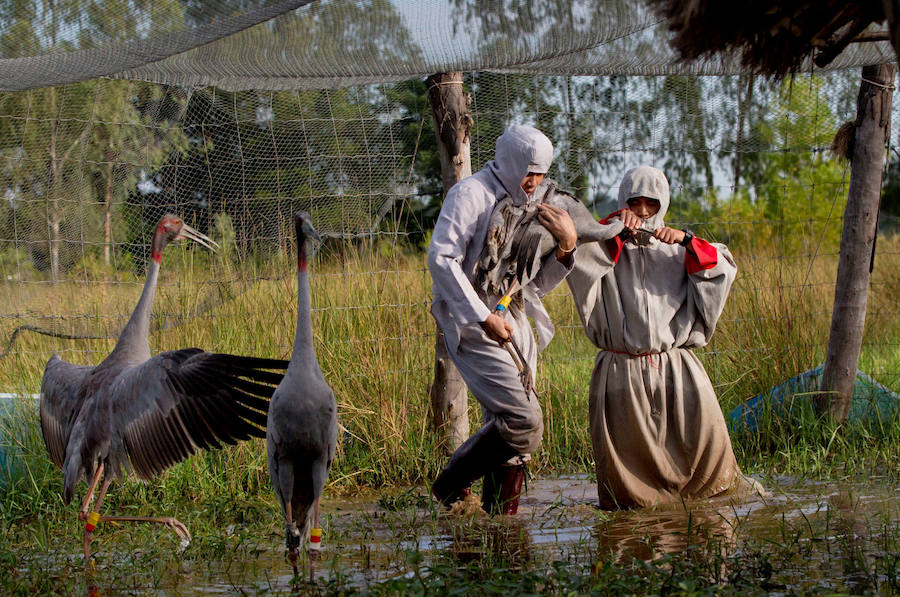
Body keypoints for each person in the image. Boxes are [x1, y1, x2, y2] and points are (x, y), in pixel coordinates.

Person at [566, 165, 744, 509]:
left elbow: (720, 266)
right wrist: (614, 230)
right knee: (630, 491)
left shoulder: (679, 249)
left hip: (678, 371)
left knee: (710, 474)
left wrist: (688, 241)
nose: (644, 212)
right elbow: (575, 259)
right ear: (623, 202)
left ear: (663, 204)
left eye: (652, 203)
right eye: (635, 203)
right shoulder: (602, 247)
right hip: (621, 374)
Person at [427, 124, 577, 515]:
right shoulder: (471, 194)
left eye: (542, 174)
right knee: (522, 418)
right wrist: (482, 318)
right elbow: (441, 258)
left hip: (513, 317)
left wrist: (566, 247)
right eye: (529, 171)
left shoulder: (535, 203)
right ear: (509, 162)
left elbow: (533, 284)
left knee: (506, 421)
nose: (534, 181)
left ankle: (500, 522)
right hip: (472, 323)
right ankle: (449, 486)